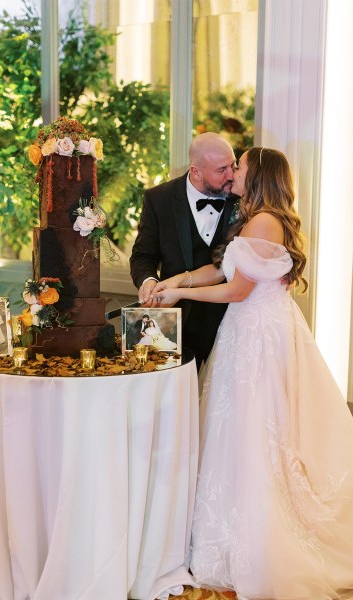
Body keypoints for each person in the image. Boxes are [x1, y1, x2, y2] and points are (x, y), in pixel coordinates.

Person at [153, 147, 353, 599]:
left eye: (239, 165)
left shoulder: (263, 222)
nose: (234, 171)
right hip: (250, 335)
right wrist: (175, 282)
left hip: (257, 339)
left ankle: (257, 539)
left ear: (257, 174)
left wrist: (178, 299)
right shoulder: (253, 218)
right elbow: (219, 267)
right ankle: (231, 532)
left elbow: (238, 290)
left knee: (253, 433)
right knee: (242, 432)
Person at [130, 132, 239, 369]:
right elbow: (143, 255)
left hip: (231, 320)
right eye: (222, 170)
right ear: (196, 171)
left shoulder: (242, 197)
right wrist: (148, 280)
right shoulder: (159, 198)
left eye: (233, 165)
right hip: (175, 322)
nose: (231, 175)